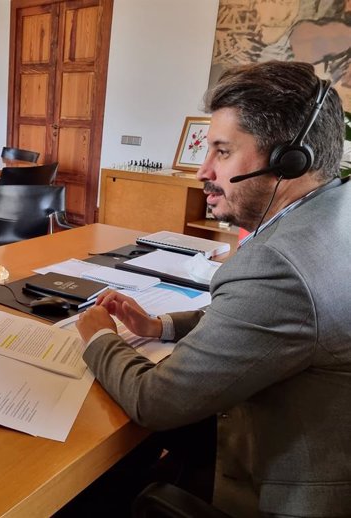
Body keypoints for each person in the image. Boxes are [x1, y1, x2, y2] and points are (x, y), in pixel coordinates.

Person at [76, 61, 351, 517]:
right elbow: (270, 318)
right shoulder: (334, 215)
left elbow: (155, 401)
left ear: (289, 160)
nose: (202, 170)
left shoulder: (277, 265)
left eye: (222, 152)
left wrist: (98, 335)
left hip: (286, 490)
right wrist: (160, 325)